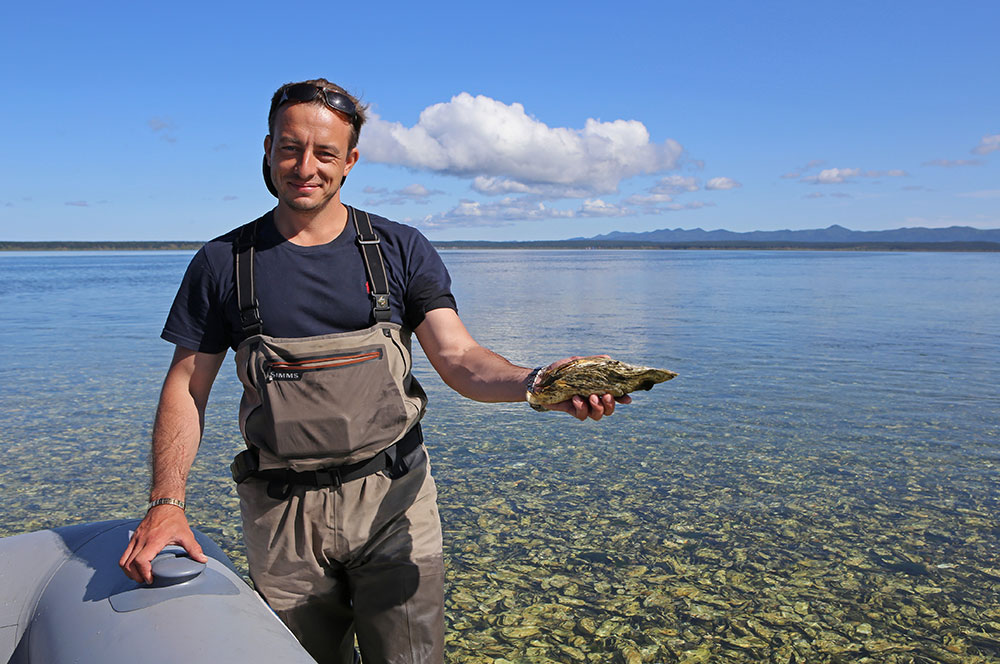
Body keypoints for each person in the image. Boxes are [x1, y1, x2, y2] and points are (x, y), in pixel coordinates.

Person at [119, 78, 630, 664]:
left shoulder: (399, 249)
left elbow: (460, 360)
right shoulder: (223, 263)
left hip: (396, 501)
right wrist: (166, 504)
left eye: (325, 153)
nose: (304, 166)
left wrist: (536, 383)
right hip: (283, 516)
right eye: (289, 148)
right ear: (266, 148)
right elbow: (187, 387)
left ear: (351, 160)